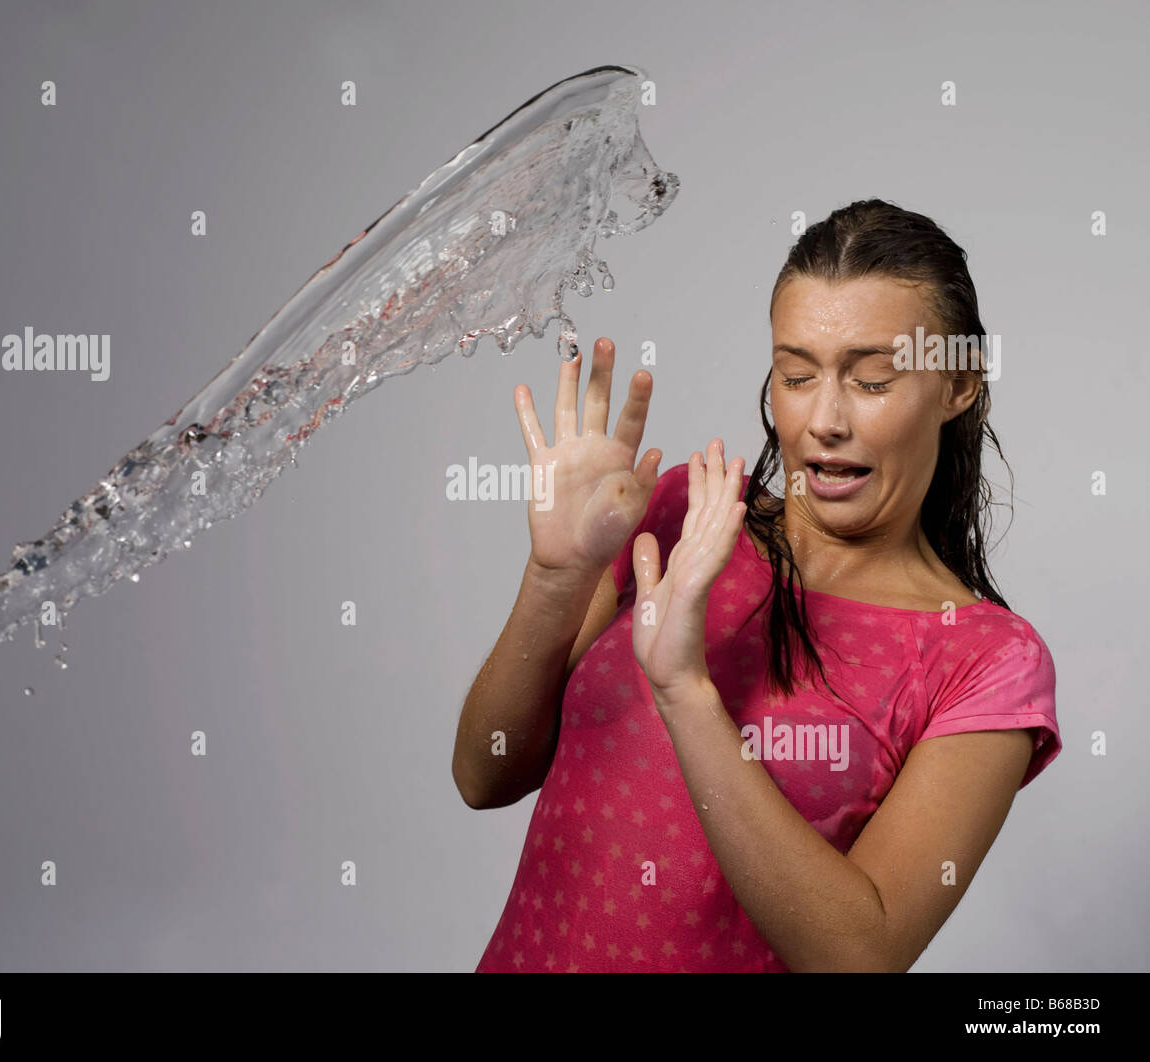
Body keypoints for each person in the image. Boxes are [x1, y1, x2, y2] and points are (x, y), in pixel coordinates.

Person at [453, 199, 1061, 973]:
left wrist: (685, 693)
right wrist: (555, 575)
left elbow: (858, 956)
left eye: (872, 380)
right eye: (796, 374)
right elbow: (485, 774)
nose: (824, 421)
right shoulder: (681, 515)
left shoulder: (985, 662)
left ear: (959, 386)